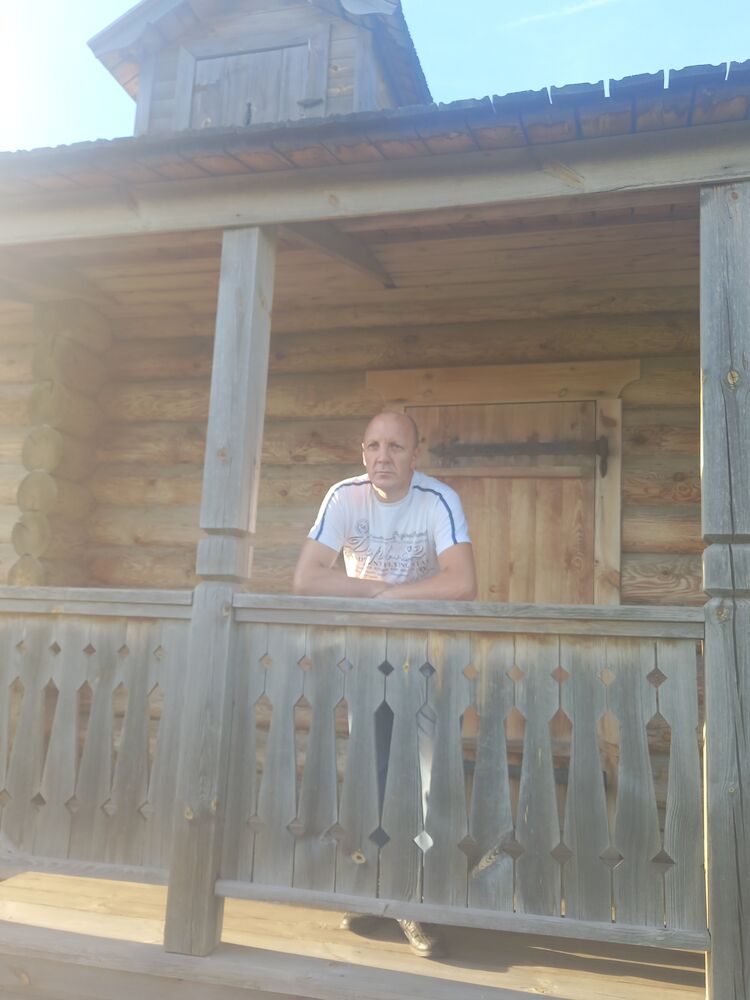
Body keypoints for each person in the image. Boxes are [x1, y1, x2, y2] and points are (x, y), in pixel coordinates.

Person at [294, 411, 477, 958]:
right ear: (362, 452)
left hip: (425, 662)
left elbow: (462, 582)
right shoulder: (344, 497)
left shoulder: (438, 500)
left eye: (395, 447)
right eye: (373, 446)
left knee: (424, 782)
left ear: (416, 455)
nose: (382, 457)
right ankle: (373, 891)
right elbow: (307, 578)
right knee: (370, 777)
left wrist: (386, 598)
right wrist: (377, 591)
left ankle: (415, 900)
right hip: (366, 661)